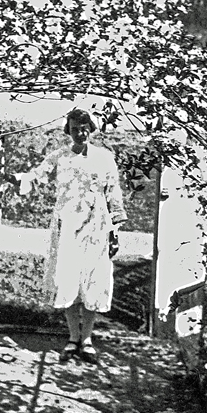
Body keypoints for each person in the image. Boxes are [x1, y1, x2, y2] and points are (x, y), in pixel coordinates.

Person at [16, 107, 127, 364]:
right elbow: (35, 176)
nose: (80, 133)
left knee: (93, 281)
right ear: (69, 130)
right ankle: (73, 337)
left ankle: (87, 339)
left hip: (97, 227)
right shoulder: (60, 157)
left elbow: (114, 194)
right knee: (68, 280)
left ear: (92, 129)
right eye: (75, 128)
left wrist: (115, 232)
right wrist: (11, 177)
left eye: (85, 128)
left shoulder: (104, 158)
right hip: (67, 226)